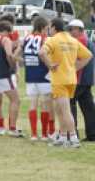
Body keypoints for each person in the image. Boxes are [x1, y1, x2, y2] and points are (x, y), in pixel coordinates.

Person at [39, 18, 92, 148]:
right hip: (71, 79)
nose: (49, 30)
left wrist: (50, 64)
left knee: (65, 110)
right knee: (60, 109)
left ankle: (73, 138)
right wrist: (76, 67)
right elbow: (88, 55)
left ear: (54, 27)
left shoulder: (52, 40)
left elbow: (41, 52)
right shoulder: (72, 40)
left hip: (59, 80)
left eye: (50, 27)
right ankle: (62, 137)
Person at [22, 17, 55, 141]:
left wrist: (27, 62)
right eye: (46, 28)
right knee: (46, 104)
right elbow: (43, 54)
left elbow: (15, 55)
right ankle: (45, 134)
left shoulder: (26, 39)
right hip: (43, 75)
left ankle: (34, 134)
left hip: (30, 75)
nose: (47, 31)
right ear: (42, 27)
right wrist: (50, 65)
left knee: (33, 104)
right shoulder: (44, 39)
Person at [67, 19, 95, 141]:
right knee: (88, 107)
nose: (70, 32)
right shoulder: (87, 40)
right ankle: (92, 134)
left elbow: (76, 60)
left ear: (79, 29)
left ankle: (72, 134)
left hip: (79, 79)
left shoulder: (80, 41)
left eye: (72, 29)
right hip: (87, 79)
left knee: (70, 104)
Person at [0, 14, 20, 134]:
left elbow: (15, 47)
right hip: (5, 70)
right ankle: (6, 127)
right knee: (4, 99)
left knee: (5, 100)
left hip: (4, 70)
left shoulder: (13, 34)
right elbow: (13, 49)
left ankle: (8, 125)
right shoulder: (6, 36)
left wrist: (17, 69)